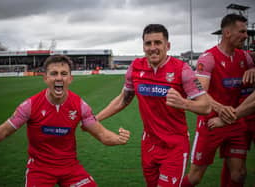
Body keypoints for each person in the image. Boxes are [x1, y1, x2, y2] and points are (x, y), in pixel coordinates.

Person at [0, 55, 130, 187]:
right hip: (40, 169)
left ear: (70, 79)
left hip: (70, 168)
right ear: (46, 78)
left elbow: (102, 135)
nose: (59, 78)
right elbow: (1, 134)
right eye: (54, 74)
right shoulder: (30, 106)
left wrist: (118, 138)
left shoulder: (80, 105)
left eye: (64, 74)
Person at [96, 24, 211, 187]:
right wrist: (95, 119)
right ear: (143, 46)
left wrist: (184, 103)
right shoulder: (135, 67)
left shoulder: (182, 70)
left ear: (167, 45)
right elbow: (123, 99)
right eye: (148, 43)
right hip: (149, 144)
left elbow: (206, 106)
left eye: (158, 42)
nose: (153, 48)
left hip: (175, 146)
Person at [181, 14, 255, 187]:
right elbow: (201, 93)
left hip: (235, 123)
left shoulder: (247, 58)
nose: (246, 36)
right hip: (211, 123)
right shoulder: (208, 59)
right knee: (195, 177)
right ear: (227, 33)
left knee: (238, 175)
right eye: (242, 31)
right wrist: (221, 109)